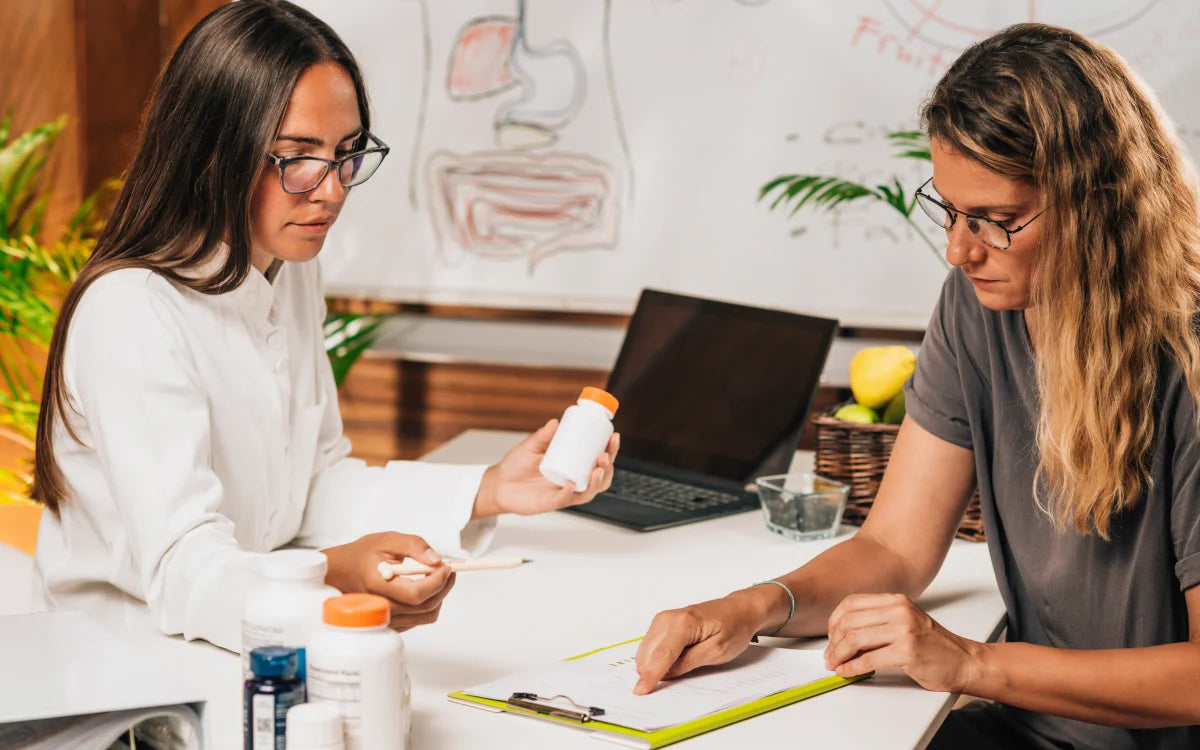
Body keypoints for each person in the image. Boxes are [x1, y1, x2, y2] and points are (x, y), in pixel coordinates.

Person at [632, 23, 1200, 750]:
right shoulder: (981, 305)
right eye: (952, 211)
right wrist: (751, 608)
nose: (959, 250)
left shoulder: (1184, 355)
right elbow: (894, 549)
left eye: (996, 222)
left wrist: (971, 662)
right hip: (1030, 731)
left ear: (1100, 203)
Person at [30, 0, 617, 653]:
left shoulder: (285, 265)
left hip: (244, 643)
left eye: (346, 154)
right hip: (129, 667)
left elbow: (312, 488)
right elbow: (184, 571)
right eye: (297, 156)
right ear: (212, 152)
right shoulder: (131, 310)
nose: (333, 189)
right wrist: (336, 586)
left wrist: (490, 489)